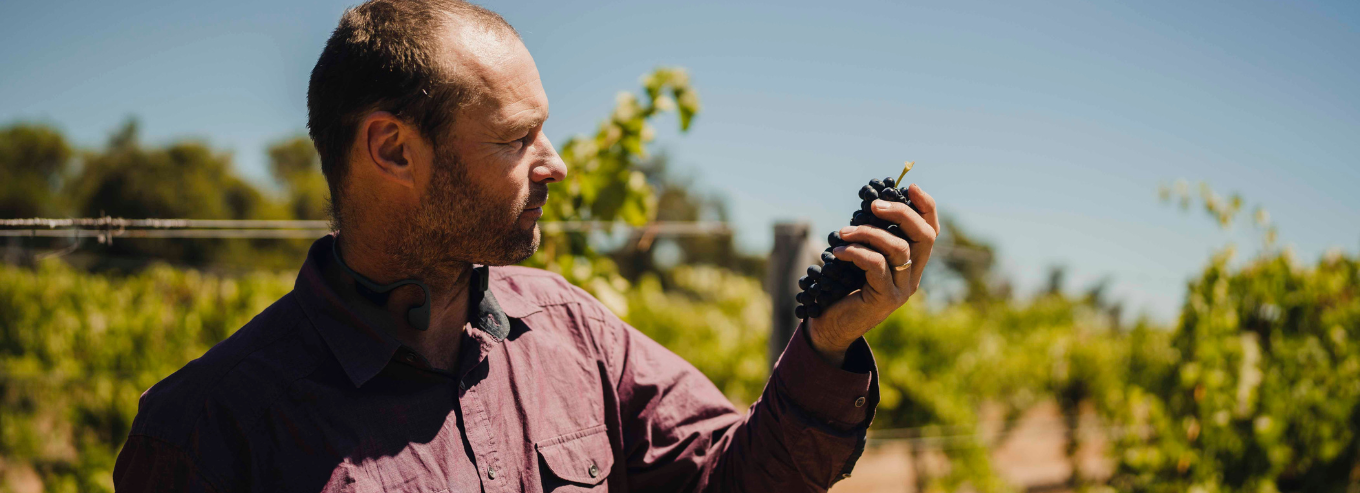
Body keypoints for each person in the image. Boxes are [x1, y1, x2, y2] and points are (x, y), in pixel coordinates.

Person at [112, 1, 940, 491]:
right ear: (393, 150)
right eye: (518, 138)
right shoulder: (206, 429)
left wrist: (828, 340)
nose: (557, 163)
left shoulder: (574, 334)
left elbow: (738, 478)